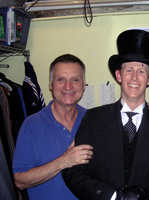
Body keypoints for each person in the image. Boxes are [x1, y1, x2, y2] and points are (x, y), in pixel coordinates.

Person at [62, 29, 149, 200]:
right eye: (129, 70)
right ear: (118, 75)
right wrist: (115, 196)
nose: (135, 78)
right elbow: (74, 172)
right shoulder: (93, 119)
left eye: (141, 71)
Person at [12, 54, 94, 200]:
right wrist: (63, 161)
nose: (68, 86)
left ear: (83, 85)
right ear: (51, 84)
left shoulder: (95, 121)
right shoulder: (31, 126)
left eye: (75, 80)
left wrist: (147, 109)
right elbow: (19, 181)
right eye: (60, 79)